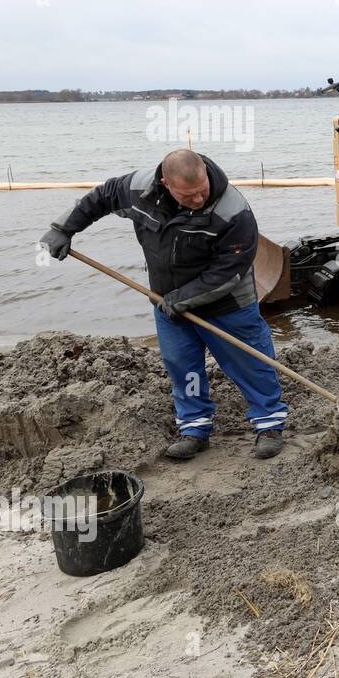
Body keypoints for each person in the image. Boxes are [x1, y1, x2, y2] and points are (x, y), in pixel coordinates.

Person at [39, 149, 288, 459]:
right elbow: (100, 198)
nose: (199, 200)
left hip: (228, 303)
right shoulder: (138, 189)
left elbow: (230, 270)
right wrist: (64, 228)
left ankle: (269, 424)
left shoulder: (233, 211)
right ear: (166, 184)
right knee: (182, 366)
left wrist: (183, 299)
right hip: (166, 300)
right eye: (189, 196)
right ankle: (195, 428)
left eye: (202, 192)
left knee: (250, 361)